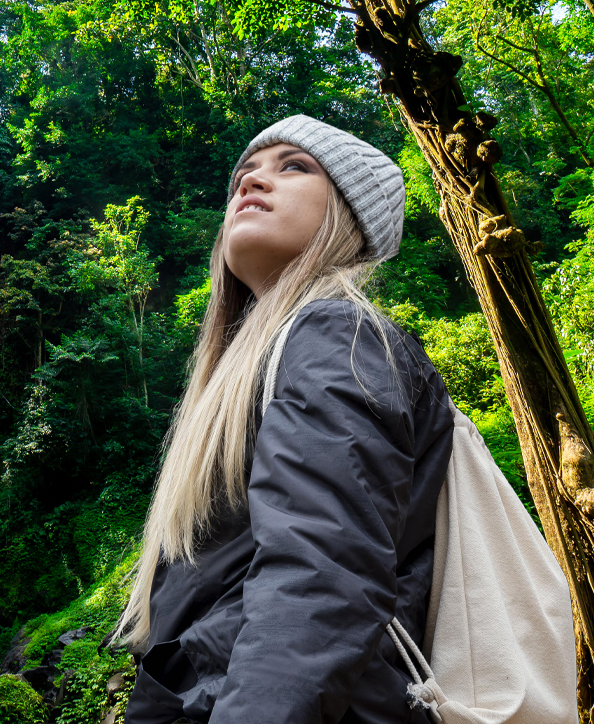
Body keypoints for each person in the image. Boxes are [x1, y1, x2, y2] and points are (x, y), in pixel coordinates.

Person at [121, 115, 455, 723]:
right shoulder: (263, 365)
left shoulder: (335, 335)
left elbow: (321, 581)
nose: (251, 182)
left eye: (293, 167)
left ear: (349, 219)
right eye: (243, 175)